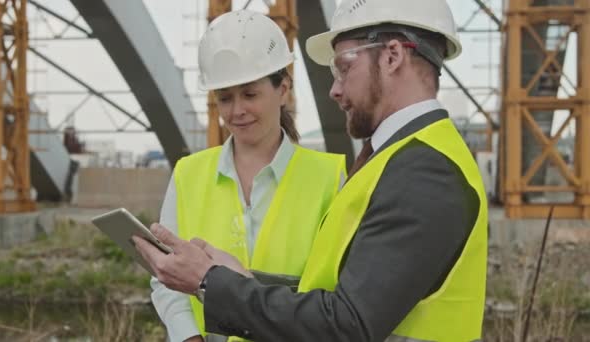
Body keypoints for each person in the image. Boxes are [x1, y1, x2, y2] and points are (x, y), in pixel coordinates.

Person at [136, 0, 488, 341]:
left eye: (344, 68)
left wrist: (209, 281)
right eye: (225, 97)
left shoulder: (423, 172)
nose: (333, 89)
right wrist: (240, 279)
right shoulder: (392, 160)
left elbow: (346, 325)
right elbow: (338, 293)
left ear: (393, 56)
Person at [149, 10, 346, 342]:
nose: (236, 111)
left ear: (283, 90)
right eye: (224, 98)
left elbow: (340, 294)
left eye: (250, 95)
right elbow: (166, 278)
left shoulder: (331, 178)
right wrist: (188, 337)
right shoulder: (188, 174)